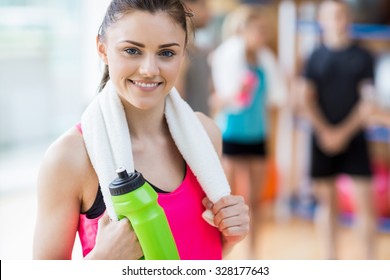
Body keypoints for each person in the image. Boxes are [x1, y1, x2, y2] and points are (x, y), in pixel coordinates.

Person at [33, 0, 249, 260]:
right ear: (102, 49)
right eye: (132, 51)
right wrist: (101, 263)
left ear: (182, 54)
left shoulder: (206, 133)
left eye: (166, 53)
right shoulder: (71, 157)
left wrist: (230, 238)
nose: (149, 70)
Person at [301, 0, 376, 259]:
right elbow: (306, 98)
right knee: (326, 204)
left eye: (342, 15)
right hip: (322, 138)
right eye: (332, 15)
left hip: (354, 137)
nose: (338, 20)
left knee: (364, 205)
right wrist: (325, 131)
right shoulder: (315, 56)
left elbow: (368, 102)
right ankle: (330, 263)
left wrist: (342, 133)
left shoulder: (364, 56)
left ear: (349, 18)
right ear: (322, 20)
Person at [210, 4, 286, 259]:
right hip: (231, 134)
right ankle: (223, 252)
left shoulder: (266, 60)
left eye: (263, 28)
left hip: (258, 135)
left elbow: (275, 100)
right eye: (256, 28)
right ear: (242, 30)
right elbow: (219, 100)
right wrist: (236, 92)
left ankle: (254, 254)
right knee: (227, 200)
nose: (260, 33)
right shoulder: (228, 58)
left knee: (256, 200)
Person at [175, 0, 213, 116]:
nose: (209, 13)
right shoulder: (180, 52)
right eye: (203, 6)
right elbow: (176, 101)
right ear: (187, 6)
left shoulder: (200, 51)